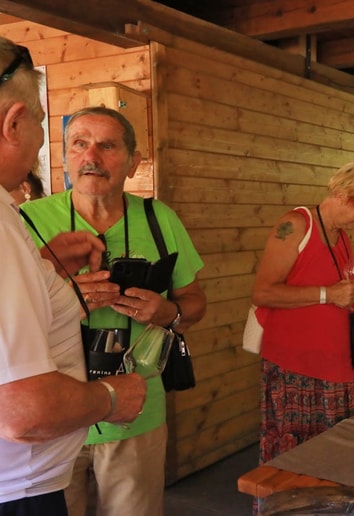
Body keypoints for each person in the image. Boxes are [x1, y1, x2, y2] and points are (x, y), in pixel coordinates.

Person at [22, 106, 206, 516]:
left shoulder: (160, 219)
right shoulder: (26, 221)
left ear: (133, 161)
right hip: (55, 412)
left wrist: (167, 312)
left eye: (107, 146)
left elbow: (195, 303)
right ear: (66, 156)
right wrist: (65, 300)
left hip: (135, 410)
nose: (91, 157)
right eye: (79, 144)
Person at [0, 37, 146, 515]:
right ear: (13, 123)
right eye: (47, 125)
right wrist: (111, 397)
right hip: (20, 490)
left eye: (107, 146)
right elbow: (24, 411)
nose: (89, 157)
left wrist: (41, 264)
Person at [252, 162, 354, 464]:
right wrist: (327, 294)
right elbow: (263, 292)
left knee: (334, 458)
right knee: (291, 462)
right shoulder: (297, 224)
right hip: (293, 368)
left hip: (335, 368)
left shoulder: (341, 237)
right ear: (341, 195)